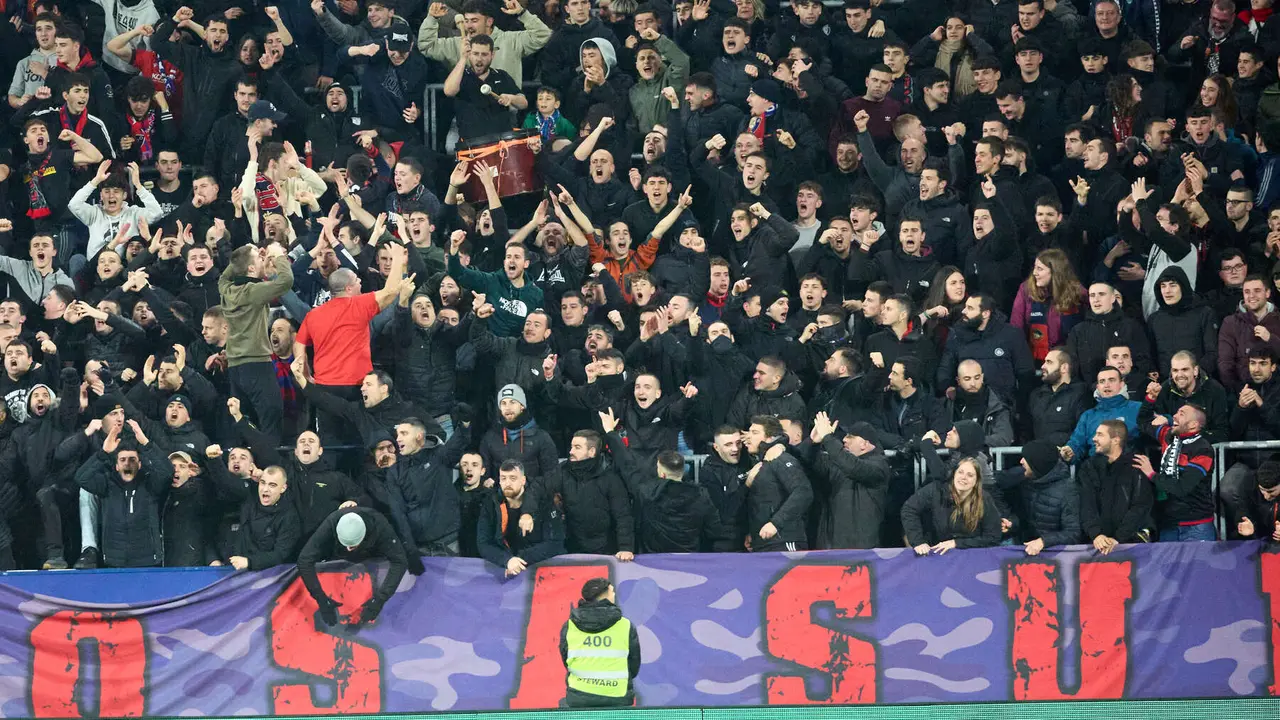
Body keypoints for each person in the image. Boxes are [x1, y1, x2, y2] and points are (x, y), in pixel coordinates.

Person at [296, 507, 423, 629]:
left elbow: (399, 561)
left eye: (352, 545)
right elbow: (304, 560)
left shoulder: (380, 526)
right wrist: (320, 598)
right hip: (337, 557)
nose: (348, 548)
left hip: (373, 554)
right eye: (345, 544)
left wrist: (379, 600)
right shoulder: (331, 523)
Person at [220, 243, 293, 445]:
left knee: (243, 421)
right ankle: (271, 471)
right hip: (257, 366)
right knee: (271, 420)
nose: (263, 259)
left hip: (235, 368)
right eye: (259, 259)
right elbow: (286, 281)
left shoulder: (227, 290)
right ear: (251, 269)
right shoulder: (254, 291)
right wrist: (278, 256)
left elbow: (224, 277)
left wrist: (243, 254)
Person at [1137, 404, 1217, 542]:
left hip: (1196, 526)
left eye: (1182, 413)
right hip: (1168, 524)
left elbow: (1182, 488)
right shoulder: (1168, 436)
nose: (1174, 416)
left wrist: (1152, 474)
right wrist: (1150, 398)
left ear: (1193, 425)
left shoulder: (1203, 450)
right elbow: (1143, 421)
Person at [810, 414, 890, 549]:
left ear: (865, 444)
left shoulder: (879, 466)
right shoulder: (838, 463)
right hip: (831, 546)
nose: (844, 439)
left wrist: (828, 438)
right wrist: (813, 444)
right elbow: (808, 464)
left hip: (862, 550)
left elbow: (854, 467)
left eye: (850, 437)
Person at [559, 578, 641, 708]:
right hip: (617, 697)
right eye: (612, 592)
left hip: (579, 698)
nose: (614, 595)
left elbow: (566, 659)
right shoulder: (625, 625)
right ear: (607, 596)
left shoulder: (569, 626)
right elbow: (634, 664)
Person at [477, 459, 565, 577]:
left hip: (541, 571)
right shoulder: (491, 503)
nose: (507, 483)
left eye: (513, 478)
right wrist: (507, 560)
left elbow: (555, 543)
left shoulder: (544, 502)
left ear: (523, 480)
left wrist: (519, 559)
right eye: (503, 478)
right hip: (506, 567)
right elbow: (483, 543)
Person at [1077, 420, 1153, 552]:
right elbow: (1086, 504)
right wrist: (1096, 534)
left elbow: (1140, 506)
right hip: (1098, 543)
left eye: (1100, 435)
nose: (1094, 439)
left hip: (1131, 544)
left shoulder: (1137, 465)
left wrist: (1118, 538)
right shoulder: (1088, 467)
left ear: (1116, 440)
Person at [902, 455, 1002, 554]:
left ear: (977, 481)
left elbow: (993, 537)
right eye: (960, 472)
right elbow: (909, 509)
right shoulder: (936, 490)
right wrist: (918, 542)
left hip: (970, 555)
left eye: (970, 475)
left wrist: (956, 543)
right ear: (954, 474)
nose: (964, 477)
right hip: (935, 552)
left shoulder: (984, 498)